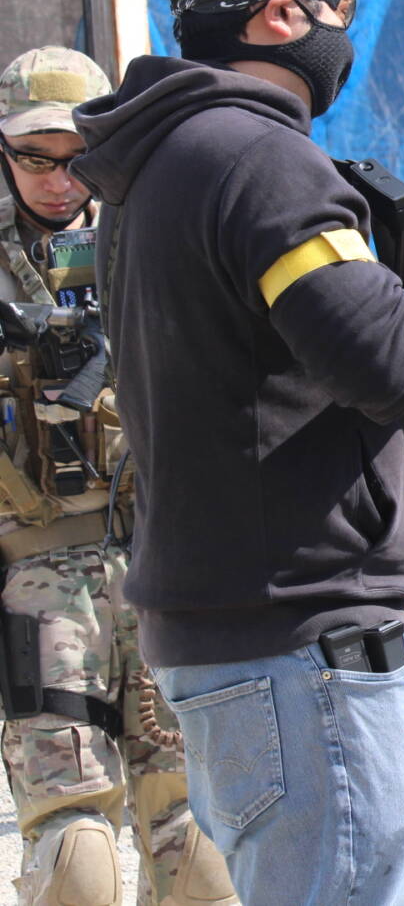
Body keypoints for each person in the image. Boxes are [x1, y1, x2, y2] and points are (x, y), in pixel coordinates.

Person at [70, 0, 404, 903]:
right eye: (338, 6)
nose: (346, 30)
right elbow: (380, 352)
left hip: (240, 639)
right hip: (302, 644)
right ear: (280, 14)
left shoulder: (162, 163)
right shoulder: (262, 158)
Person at [0, 48, 236, 904]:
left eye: (78, 157)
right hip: (36, 575)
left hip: (163, 561)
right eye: (35, 157)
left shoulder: (157, 237)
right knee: (76, 851)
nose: (58, 179)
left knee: (196, 838)